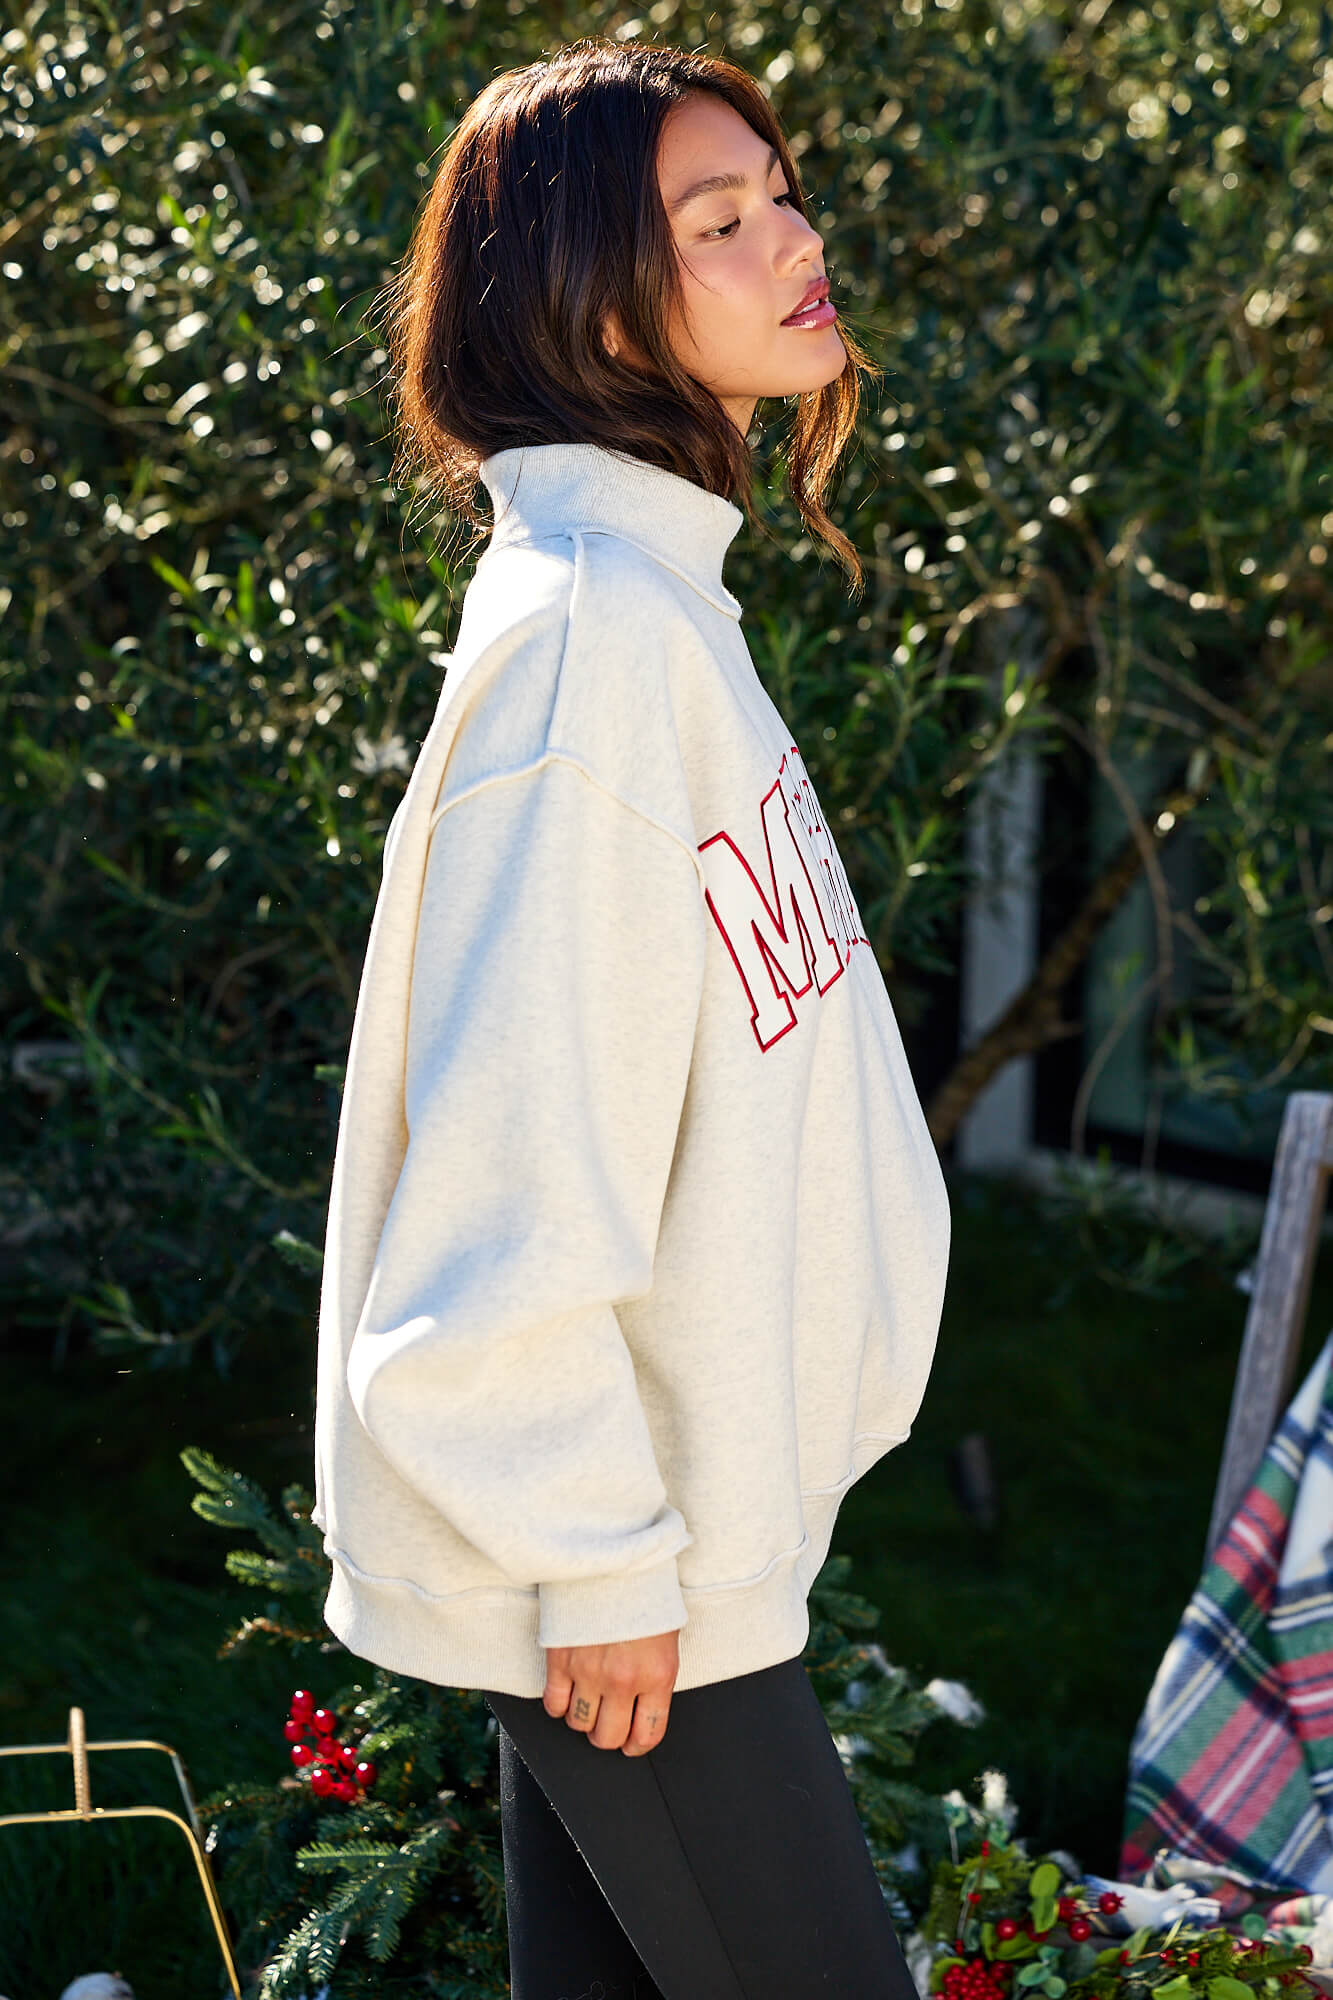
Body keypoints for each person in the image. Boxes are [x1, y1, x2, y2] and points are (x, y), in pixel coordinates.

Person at [312, 34, 952, 2000]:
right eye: (720, 217)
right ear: (591, 297)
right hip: (635, 1573)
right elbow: (515, 1154)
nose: (795, 239)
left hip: (670, 1542)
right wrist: (596, 1557)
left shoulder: (652, 608)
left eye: (780, 191)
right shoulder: (591, 645)